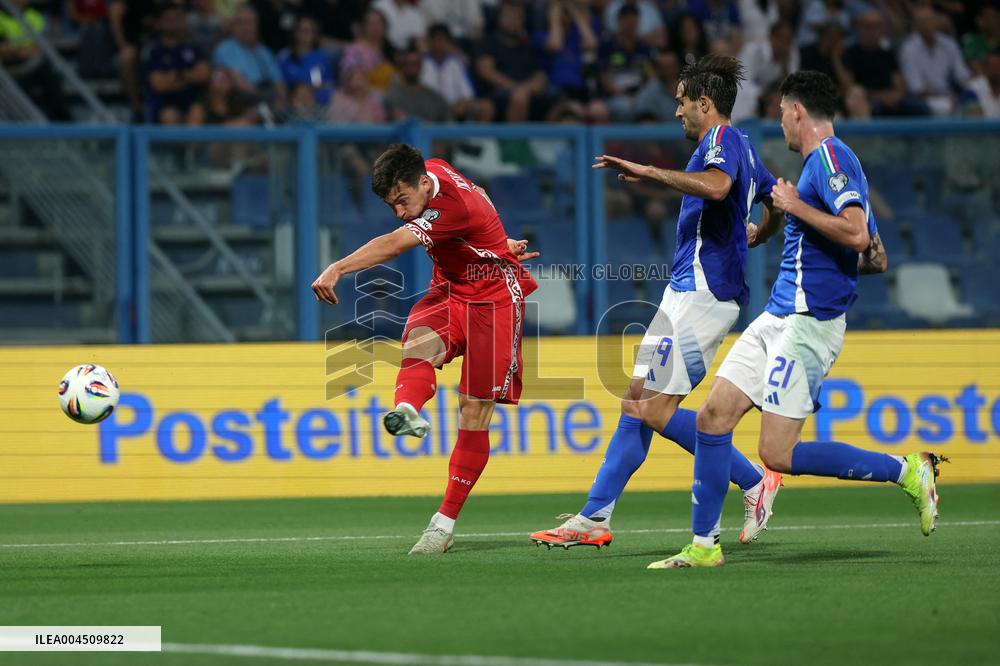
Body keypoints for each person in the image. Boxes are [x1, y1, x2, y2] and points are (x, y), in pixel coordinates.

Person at [649, 71, 944, 570]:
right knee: (712, 416)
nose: (780, 120)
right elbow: (875, 256)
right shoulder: (821, 168)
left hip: (809, 324)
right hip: (776, 316)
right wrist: (803, 229)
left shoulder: (830, 157)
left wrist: (791, 207)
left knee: (778, 454)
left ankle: (907, 470)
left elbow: (853, 234)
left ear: (798, 111)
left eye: (782, 111)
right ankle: (703, 546)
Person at [530, 55, 783, 550]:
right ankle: (594, 517)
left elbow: (718, 187)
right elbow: (774, 202)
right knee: (636, 400)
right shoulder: (747, 147)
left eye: (681, 102)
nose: (677, 113)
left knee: (651, 409)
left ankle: (754, 480)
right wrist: (756, 234)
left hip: (705, 294)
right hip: (687, 290)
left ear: (704, 103)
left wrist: (650, 171)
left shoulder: (723, 142)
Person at [311, 144, 539, 555]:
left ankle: (444, 523)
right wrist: (495, 239)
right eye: (391, 205)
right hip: (450, 289)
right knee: (417, 343)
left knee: (473, 410)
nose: (400, 211)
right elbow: (483, 194)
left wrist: (338, 267)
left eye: (402, 201)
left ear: (420, 184)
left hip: (495, 302)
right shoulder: (432, 168)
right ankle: (408, 411)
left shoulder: (453, 205)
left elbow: (397, 243)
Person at [143, 2, 210, 125]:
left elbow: (203, 74)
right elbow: (159, 85)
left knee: (197, 111)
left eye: (176, 19)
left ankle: (193, 145)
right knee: (170, 116)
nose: (173, 23)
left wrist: (176, 76)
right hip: (163, 105)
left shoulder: (192, 46)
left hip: (193, 103)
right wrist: (189, 76)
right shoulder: (152, 50)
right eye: (168, 20)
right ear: (159, 23)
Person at [899, 4, 972, 116]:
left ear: (936, 21)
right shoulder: (909, 49)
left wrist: (970, 91)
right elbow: (917, 89)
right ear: (916, 25)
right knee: (945, 108)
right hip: (924, 100)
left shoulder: (949, 44)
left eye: (930, 21)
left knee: (975, 102)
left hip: (951, 96)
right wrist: (946, 98)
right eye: (922, 22)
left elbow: (962, 75)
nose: (927, 25)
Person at [212, 4, 287, 109]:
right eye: (240, 23)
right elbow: (238, 83)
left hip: (267, 98)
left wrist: (282, 100)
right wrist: (266, 98)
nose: (245, 27)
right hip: (241, 99)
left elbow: (278, 83)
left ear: (257, 25)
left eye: (249, 23)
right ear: (233, 26)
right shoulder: (224, 49)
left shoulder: (264, 52)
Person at [385, 44, 451, 122]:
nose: (411, 68)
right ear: (402, 67)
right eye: (407, 64)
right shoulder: (393, 94)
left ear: (420, 67)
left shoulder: (434, 97)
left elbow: (448, 120)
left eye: (414, 64)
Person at [278, 15, 335, 105]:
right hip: (293, 102)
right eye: (303, 31)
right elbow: (280, 85)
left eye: (310, 31)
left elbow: (329, 84)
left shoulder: (322, 57)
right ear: (295, 33)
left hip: (319, 104)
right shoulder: (284, 57)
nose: (305, 35)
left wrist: (310, 91)